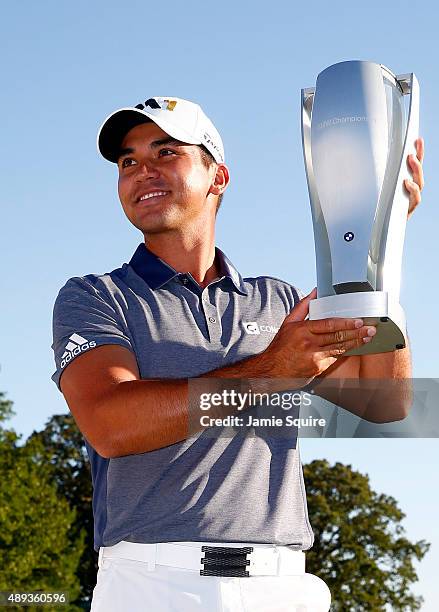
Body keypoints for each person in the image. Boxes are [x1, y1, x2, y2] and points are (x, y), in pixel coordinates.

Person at [50, 96, 424, 611]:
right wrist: (271, 369)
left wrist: (385, 243)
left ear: (217, 177)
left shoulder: (279, 301)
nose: (142, 171)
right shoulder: (94, 296)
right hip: (153, 584)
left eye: (165, 152)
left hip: (282, 585)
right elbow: (112, 424)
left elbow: (385, 401)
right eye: (128, 162)